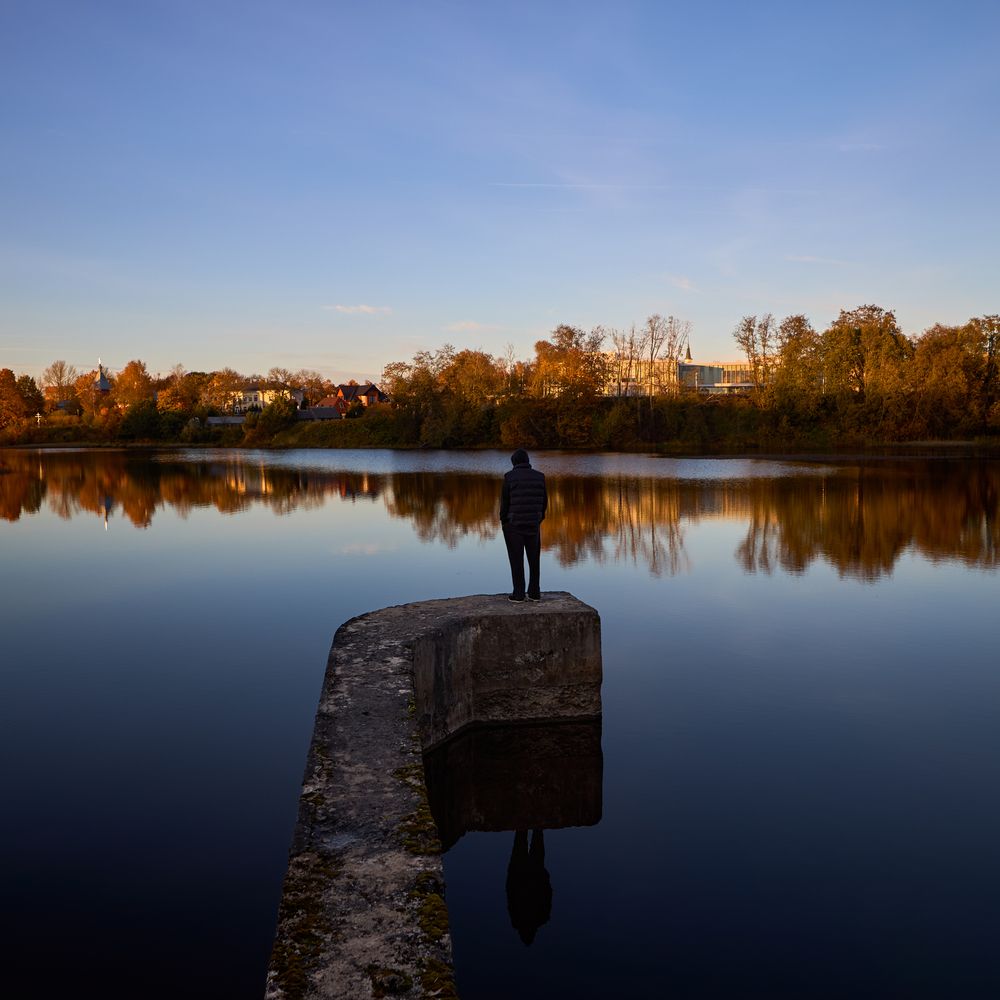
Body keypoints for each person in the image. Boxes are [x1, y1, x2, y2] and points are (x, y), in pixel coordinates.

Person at [499, 448, 547, 603]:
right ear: (527, 461)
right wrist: (539, 518)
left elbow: (505, 503)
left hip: (514, 525)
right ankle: (534, 593)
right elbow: (544, 502)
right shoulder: (540, 477)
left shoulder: (509, 477)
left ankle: (518, 594)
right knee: (534, 560)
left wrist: (504, 521)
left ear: (514, 462)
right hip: (533, 524)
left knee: (516, 559)